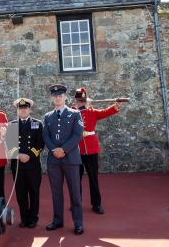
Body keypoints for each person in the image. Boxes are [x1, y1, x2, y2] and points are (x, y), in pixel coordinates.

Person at [73, 87, 125, 214]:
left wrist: (116, 105)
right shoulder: (71, 112)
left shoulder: (92, 112)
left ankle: (96, 204)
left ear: (86, 100)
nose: (81, 102)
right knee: (75, 179)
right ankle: (76, 203)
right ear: (76, 100)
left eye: (83, 100)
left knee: (93, 178)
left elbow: (105, 112)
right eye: (79, 100)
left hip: (91, 149)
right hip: (76, 149)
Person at [42, 84, 85, 235]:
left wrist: (64, 149)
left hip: (71, 158)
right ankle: (58, 220)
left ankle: (78, 223)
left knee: (75, 192)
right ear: (51, 98)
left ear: (65, 97)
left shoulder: (75, 114)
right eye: (55, 96)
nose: (57, 98)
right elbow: (45, 136)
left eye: (60, 95)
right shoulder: (48, 117)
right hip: (54, 160)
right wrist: (54, 149)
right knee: (56, 192)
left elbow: (77, 134)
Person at [8, 98, 44, 228]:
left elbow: (40, 143)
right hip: (17, 165)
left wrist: (29, 155)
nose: (23, 110)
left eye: (25, 108)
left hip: (33, 165)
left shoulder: (37, 124)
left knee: (34, 192)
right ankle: (24, 218)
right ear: (17, 110)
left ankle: (33, 218)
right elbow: (8, 144)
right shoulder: (11, 125)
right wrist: (18, 155)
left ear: (29, 109)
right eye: (20, 108)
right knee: (21, 193)